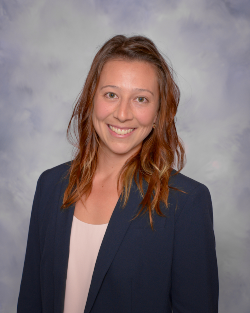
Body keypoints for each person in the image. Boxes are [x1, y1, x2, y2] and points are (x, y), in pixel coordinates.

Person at [17, 35, 219, 313]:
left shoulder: (185, 203)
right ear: (92, 99)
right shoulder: (50, 186)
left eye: (141, 99)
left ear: (159, 111)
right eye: (111, 94)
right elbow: (31, 301)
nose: (123, 114)